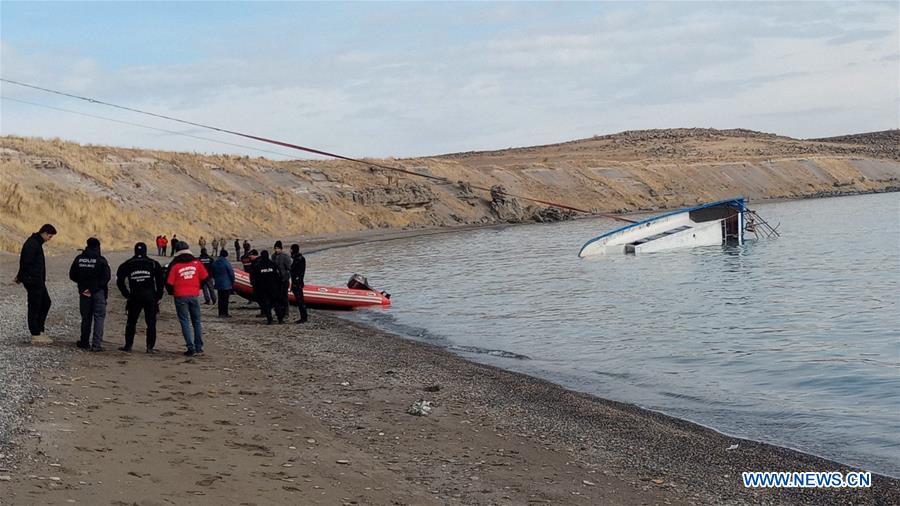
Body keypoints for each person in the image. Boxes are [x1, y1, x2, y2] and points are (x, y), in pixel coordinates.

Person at [116, 242, 165, 353]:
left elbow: (119, 280)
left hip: (134, 296)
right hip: (150, 297)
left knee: (131, 321)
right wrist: (159, 296)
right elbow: (160, 281)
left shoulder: (128, 264)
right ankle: (150, 347)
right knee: (151, 322)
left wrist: (126, 294)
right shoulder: (153, 263)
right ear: (145, 251)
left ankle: (128, 346)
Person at [15, 224, 57, 343]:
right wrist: (20, 276)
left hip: (38, 280)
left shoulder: (36, 243)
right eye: (49, 236)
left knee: (46, 302)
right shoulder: (32, 244)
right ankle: (35, 334)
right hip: (33, 280)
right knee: (34, 306)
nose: (50, 239)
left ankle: (39, 330)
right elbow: (25, 262)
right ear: (44, 233)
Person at [165, 241, 208, 356]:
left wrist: (172, 292)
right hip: (194, 294)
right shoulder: (196, 262)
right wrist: (198, 287)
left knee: (185, 321)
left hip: (180, 295)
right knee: (197, 321)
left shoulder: (174, 265)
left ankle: (190, 347)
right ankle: (198, 347)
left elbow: (169, 283)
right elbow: (205, 277)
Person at [69, 237, 111, 351]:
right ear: (98, 247)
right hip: (98, 292)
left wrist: (84, 287)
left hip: (84, 293)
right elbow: (106, 277)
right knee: (99, 318)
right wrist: (94, 288)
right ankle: (96, 345)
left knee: (86, 318)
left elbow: (72, 275)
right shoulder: (101, 260)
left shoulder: (79, 259)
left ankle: (84, 342)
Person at [249, 250, 279, 325]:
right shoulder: (273, 264)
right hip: (272, 287)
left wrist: (254, 286)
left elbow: (253, 277)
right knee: (276, 303)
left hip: (262, 288)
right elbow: (277, 276)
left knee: (265, 304)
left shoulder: (257, 265)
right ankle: (280, 318)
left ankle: (270, 319)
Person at [271, 241, 292, 324]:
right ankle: (279, 312)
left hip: (284, 279)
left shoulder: (285, 256)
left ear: (281, 249)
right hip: (276, 280)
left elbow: (289, 268)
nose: (276, 250)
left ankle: (286, 312)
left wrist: (286, 277)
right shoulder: (273, 256)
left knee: (285, 297)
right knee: (277, 297)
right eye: (275, 248)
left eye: (278, 248)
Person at [210, 249, 235, 317]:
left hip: (218, 283)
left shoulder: (215, 263)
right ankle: (225, 313)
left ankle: (220, 313)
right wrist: (233, 282)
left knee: (220, 299)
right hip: (226, 284)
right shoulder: (226, 263)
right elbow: (231, 274)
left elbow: (212, 273)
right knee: (225, 300)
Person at [289, 243, 308, 324]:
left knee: (300, 300)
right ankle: (304, 316)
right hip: (297, 281)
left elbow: (298, 272)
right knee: (300, 300)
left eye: (291, 249)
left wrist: (295, 282)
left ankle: (304, 317)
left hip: (297, 282)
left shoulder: (298, 259)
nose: (290, 251)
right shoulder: (298, 258)